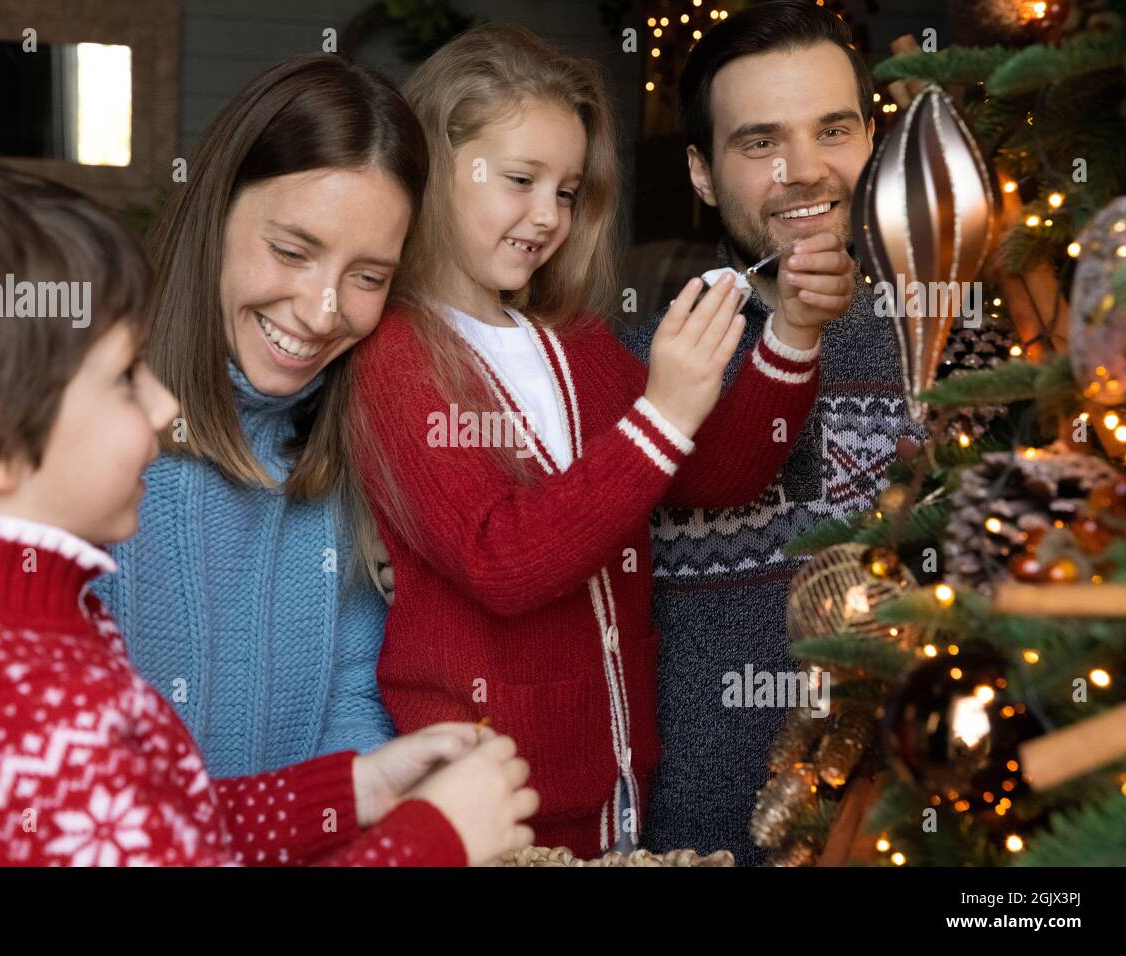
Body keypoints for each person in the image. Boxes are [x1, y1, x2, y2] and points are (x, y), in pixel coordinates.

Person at [0, 141, 538, 866]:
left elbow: (155, 824)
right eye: (123, 378)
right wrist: (432, 843)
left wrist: (351, 791)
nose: (161, 399)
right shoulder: (28, 710)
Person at [347, 24, 850, 859]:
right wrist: (662, 414)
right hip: (485, 808)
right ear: (436, 168)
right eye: (520, 181)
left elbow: (713, 477)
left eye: (568, 191)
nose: (547, 216)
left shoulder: (572, 341)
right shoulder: (399, 358)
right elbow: (505, 562)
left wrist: (791, 334)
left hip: (619, 789)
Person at [617, 1, 921, 865]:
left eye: (833, 130)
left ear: (872, 139)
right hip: (693, 848)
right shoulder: (640, 363)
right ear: (702, 173)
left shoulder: (958, 347)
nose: (804, 170)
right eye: (759, 143)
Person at [90, 55, 426, 777]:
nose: (321, 311)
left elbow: (352, 697)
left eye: (368, 276)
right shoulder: (83, 442)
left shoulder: (356, 446)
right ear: (215, 212)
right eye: (292, 251)